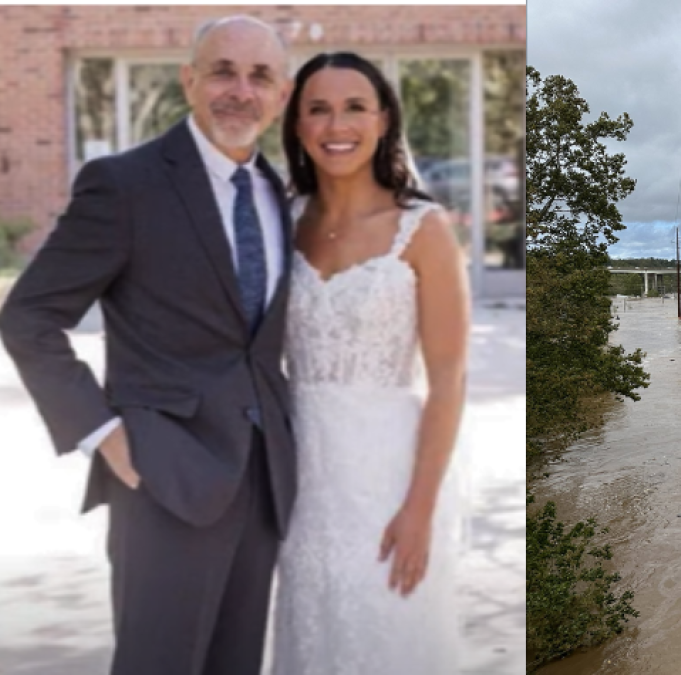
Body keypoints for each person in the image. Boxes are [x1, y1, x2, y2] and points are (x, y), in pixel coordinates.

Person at [0, 16, 296, 675]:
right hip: (164, 471)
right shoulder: (125, 184)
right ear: (189, 80)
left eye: (259, 76)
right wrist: (104, 430)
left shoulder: (282, 193)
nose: (239, 90)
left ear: (280, 94)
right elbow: (28, 317)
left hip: (263, 476)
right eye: (222, 71)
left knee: (236, 663)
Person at [269, 52, 470, 673]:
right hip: (296, 475)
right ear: (298, 125)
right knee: (312, 631)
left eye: (355, 107)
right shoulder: (278, 220)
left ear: (383, 119)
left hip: (387, 474)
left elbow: (448, 383)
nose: (338, 124)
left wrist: (419, 509)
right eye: (319, 109)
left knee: (386, 632)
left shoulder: (424, 229)